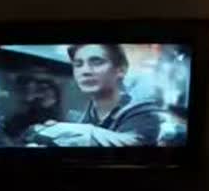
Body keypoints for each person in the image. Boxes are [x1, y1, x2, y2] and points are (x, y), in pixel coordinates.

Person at [30, 43, 164, 148]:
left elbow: (134, 143)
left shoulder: (144, 112)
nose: (85, 71)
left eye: (96, 62)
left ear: (121, 70)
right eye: (78, 64)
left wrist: (73, 132)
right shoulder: (87, 114)